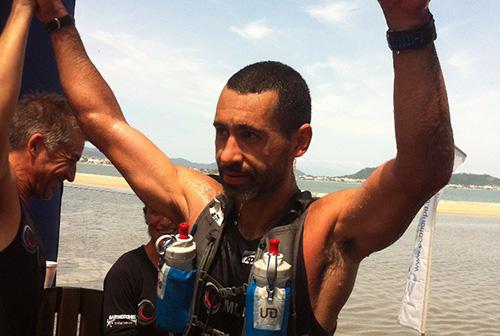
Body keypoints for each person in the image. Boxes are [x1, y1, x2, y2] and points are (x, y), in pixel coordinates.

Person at [35, 0, 454, 334]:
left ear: (300, 142)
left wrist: (407, 24)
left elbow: (424, 170)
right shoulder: (201, 204)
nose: (229, 154)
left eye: (250, 136)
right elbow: (102, 122)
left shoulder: (325, 231)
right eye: (222, 133)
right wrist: (58, 20)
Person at [0, 1, 85, 335]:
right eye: (71, 158)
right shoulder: (4, 201)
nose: (73, 175)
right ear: (35, 145)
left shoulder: (21, 211)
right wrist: (22, 8)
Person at [101, 204, 179, 336]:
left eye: (175, 213)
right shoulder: (125, 272)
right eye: (156, 212)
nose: (165, 222)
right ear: (145, 215)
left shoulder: (202, 270)